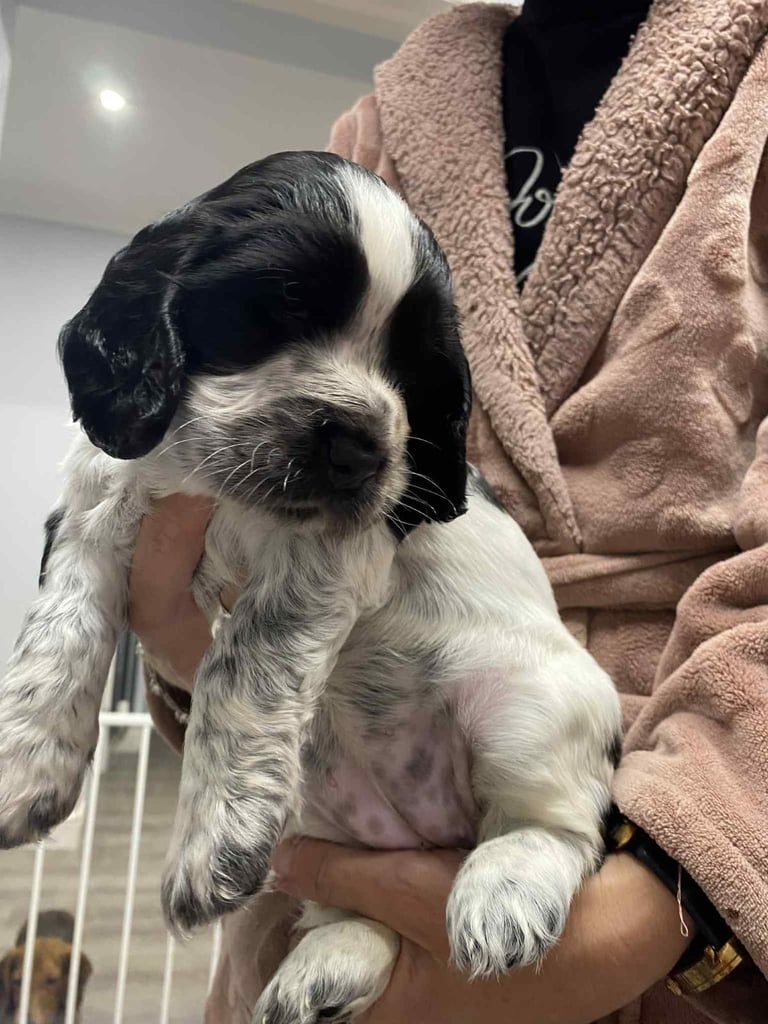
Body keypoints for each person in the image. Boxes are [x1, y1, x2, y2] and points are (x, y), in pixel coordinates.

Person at [130, 1, 768, 1021]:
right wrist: (187, 648)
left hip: (649, 850)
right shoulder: (379, 129)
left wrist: (659, 895)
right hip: (335, 842)